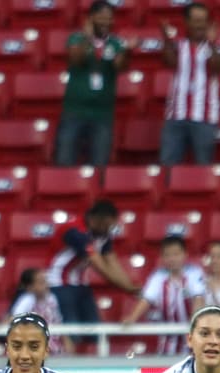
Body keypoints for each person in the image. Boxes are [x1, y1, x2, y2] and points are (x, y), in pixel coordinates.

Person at [46, 199, 139, 341]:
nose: (109, 229)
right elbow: (98, 264)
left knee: (95, 331)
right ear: (94, 219)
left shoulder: (103, 234)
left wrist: (131, 286)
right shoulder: (75, 231)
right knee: (72, 331)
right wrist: (129, 289)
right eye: (106, 225)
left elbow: (113, 262)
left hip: (81, 284)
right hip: (59, 285)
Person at [56, 1, 129, 167]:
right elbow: (76, 59)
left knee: (100, 165)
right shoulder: (76, 38)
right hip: (74, 112)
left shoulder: (116, 43)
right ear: (91, 18)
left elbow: (121, 67)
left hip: (102, 114)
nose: (106, 22)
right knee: (64, 161)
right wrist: (87, 38)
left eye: (109, 19)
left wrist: (128, 51)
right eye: (101, 18)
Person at [159, 3, 220, 166]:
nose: (200, 25)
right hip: (176, 115)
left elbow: (219, 67)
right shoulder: (178, 45)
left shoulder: (217, 45)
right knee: (168, 167)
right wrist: (166, 40)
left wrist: (211, 43)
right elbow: (168, 62)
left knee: (204, 166)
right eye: (196, 20)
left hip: (205, 116)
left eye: (203, 21)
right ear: (186, 22)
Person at [123, 236, 206, 354]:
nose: (172, 259)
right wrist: (132, 318)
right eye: (167, 255)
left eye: (176, 254)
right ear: (162, 258)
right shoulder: (157, 276)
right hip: (168, 342)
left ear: (185, 255)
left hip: (194, 339)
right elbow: (146, 299)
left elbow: (198, 299)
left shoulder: (194, 273)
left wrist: (193, 324)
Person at [7, 268, 69, 354]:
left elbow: (58, 323)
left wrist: (68, 345)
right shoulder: (27, 300)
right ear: (30, 287)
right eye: (41, 282)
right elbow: (13, 321)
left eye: (46, 281)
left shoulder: (52, 298)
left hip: (55, 348)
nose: (46, 285)